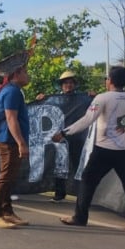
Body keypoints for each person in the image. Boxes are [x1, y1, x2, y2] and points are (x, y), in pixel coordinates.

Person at [52, 63, 125, 232]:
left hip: (104, 149)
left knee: (88, 181)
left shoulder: (103, 98)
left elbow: (87, 119)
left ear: (109, 80)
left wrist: (64, 132)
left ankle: (80, 217)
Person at [0, 51, 31, 229]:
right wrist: (21, 143)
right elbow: (11, 119)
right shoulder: (11, 92)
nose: (28, 75)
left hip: (9, 140)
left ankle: (7, 212)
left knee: (9, 177)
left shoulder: (14, 91)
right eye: (25, 72)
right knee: (5, 177)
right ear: (17, 73)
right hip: (7, 140)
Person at [39, 70, 84, 202]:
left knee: (78, 165)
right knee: (60, 166)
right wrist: (41, 100)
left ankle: (81, 193)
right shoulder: (54, 100)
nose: (68, 85)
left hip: (77, 136)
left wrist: (92, 96)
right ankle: (60, 193)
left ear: (74, 85)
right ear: (62, 85)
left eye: (71, 83)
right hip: (60, 137)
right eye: (66, 83)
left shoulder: (82, 99)